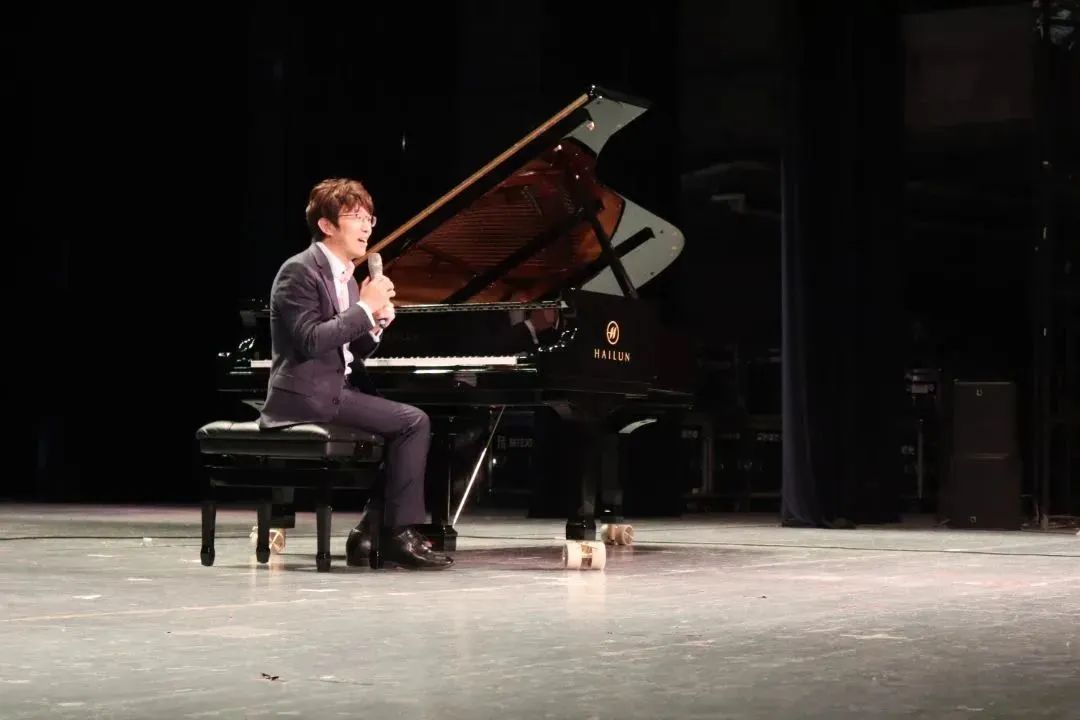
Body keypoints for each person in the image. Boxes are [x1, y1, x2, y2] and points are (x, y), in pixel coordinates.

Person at [258, 177, 453, 570]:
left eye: (369, 218)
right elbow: (311, 341)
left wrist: (375, 323)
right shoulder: (299, 271)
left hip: (334, 390)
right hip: (305, 396)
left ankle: (367, 533)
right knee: (413, 423)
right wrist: (363, 308)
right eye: (356, 218)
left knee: (407, 429)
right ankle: (397, 534)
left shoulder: (346, 276)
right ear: (327, 225)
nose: (367, 227)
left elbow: (351, 347)